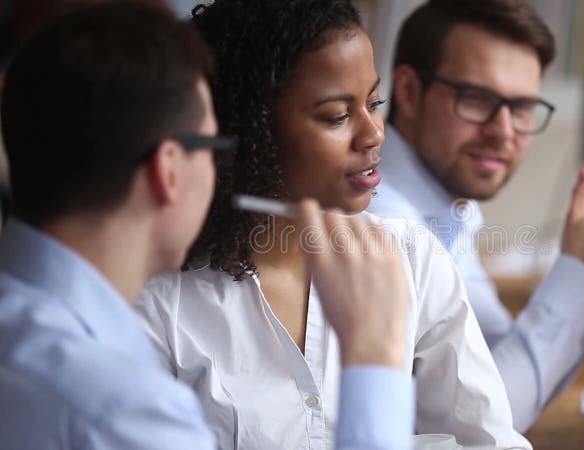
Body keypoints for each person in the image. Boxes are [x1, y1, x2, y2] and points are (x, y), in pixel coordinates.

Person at [0, 3, 414, 449]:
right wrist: (374, 358)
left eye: (374, 104)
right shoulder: (125, 406)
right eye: (215, 142)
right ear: (169, 169)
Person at [136, 0, 531, 449]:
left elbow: (491, 441)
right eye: (337, 116)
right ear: (253, 131)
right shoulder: (162, 304)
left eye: (373, 103)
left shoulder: (412, 258)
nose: (374, 133)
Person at [367, 0, 584, 432]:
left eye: (521, 107)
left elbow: (500, 373)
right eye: (477, 99)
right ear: (409, 92)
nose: (504, 131)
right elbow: (487, 419)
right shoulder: (382, 220)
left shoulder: (443, 211)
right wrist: (582, 275)